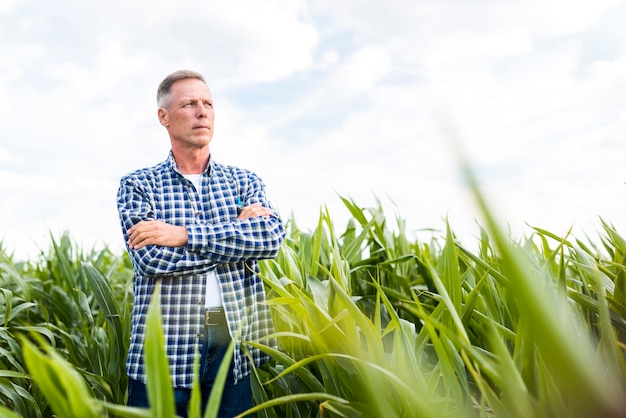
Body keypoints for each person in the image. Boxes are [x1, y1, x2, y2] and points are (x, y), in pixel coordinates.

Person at [116, 69, 285, 417]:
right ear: (163, 116)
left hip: (231, 341)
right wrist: (234, 235)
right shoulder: (138, 185)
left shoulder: (243, 181)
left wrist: (183, 235)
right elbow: (152, 260)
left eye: (208, 103)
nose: (202, 111)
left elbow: (269, 238)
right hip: (164, 343)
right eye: (190, 103)